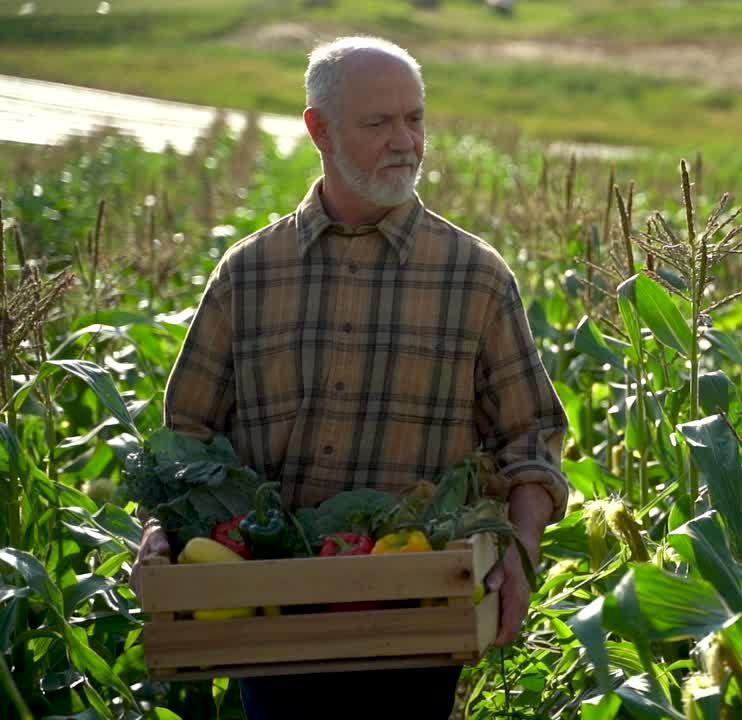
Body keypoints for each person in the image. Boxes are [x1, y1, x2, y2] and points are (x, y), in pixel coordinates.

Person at [129, 35, 570, 719]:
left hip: (422, 613)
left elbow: (531, 438)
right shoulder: (248, 276)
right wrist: (159, 529)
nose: (405, 141)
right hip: (270, 618)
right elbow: (185, 438)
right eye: (379, 123)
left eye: (415, 118)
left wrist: (522, 549)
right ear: (319, 130)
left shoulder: (475, 277)